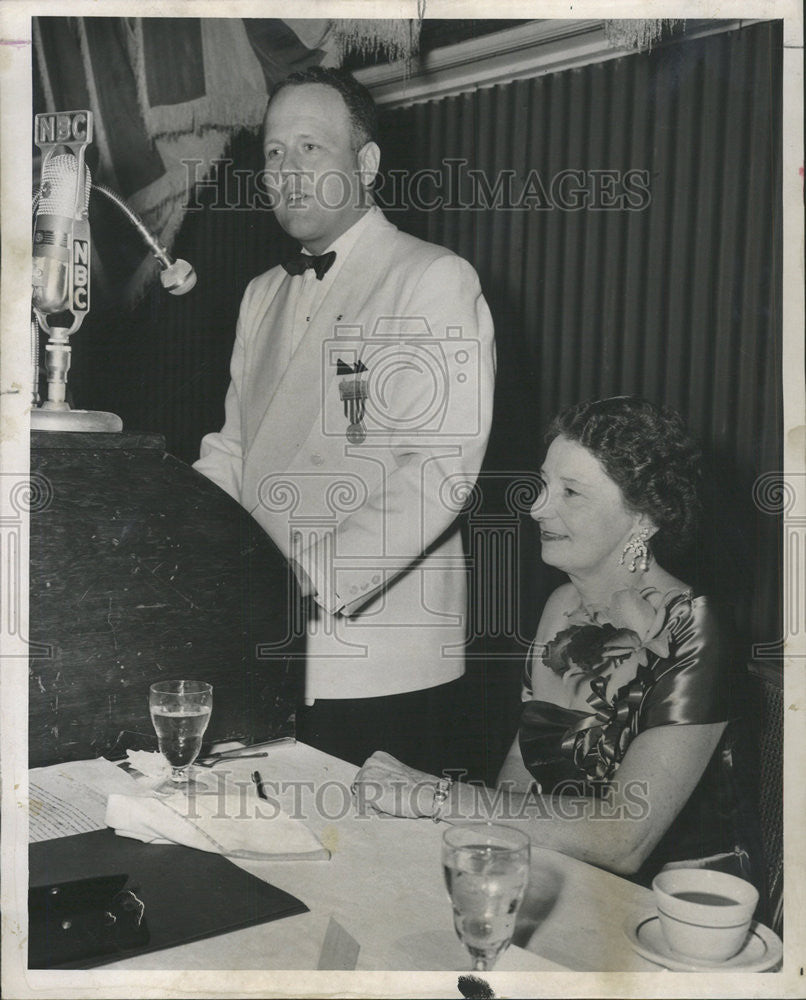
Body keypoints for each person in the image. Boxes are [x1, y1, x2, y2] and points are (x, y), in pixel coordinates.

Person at [193, 67, 496, 771]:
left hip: (382, 665)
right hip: (267, 650)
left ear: (365, 163)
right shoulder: (260, 295)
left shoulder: (431, 277)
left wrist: (301, 577)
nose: (288, 172)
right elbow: (234, 449)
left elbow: (439, 468)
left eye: (310, 148)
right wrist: (190, 544)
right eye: (273, 153)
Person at [354, 396, 761, 888]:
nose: (536, 506)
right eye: (544, 483)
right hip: (574, 871)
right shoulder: (562, 605)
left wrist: (437, 797)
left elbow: (624, 840)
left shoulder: (695, 626)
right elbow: (520, 779)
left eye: (570, 492)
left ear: (644, 519)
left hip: (683, 903)